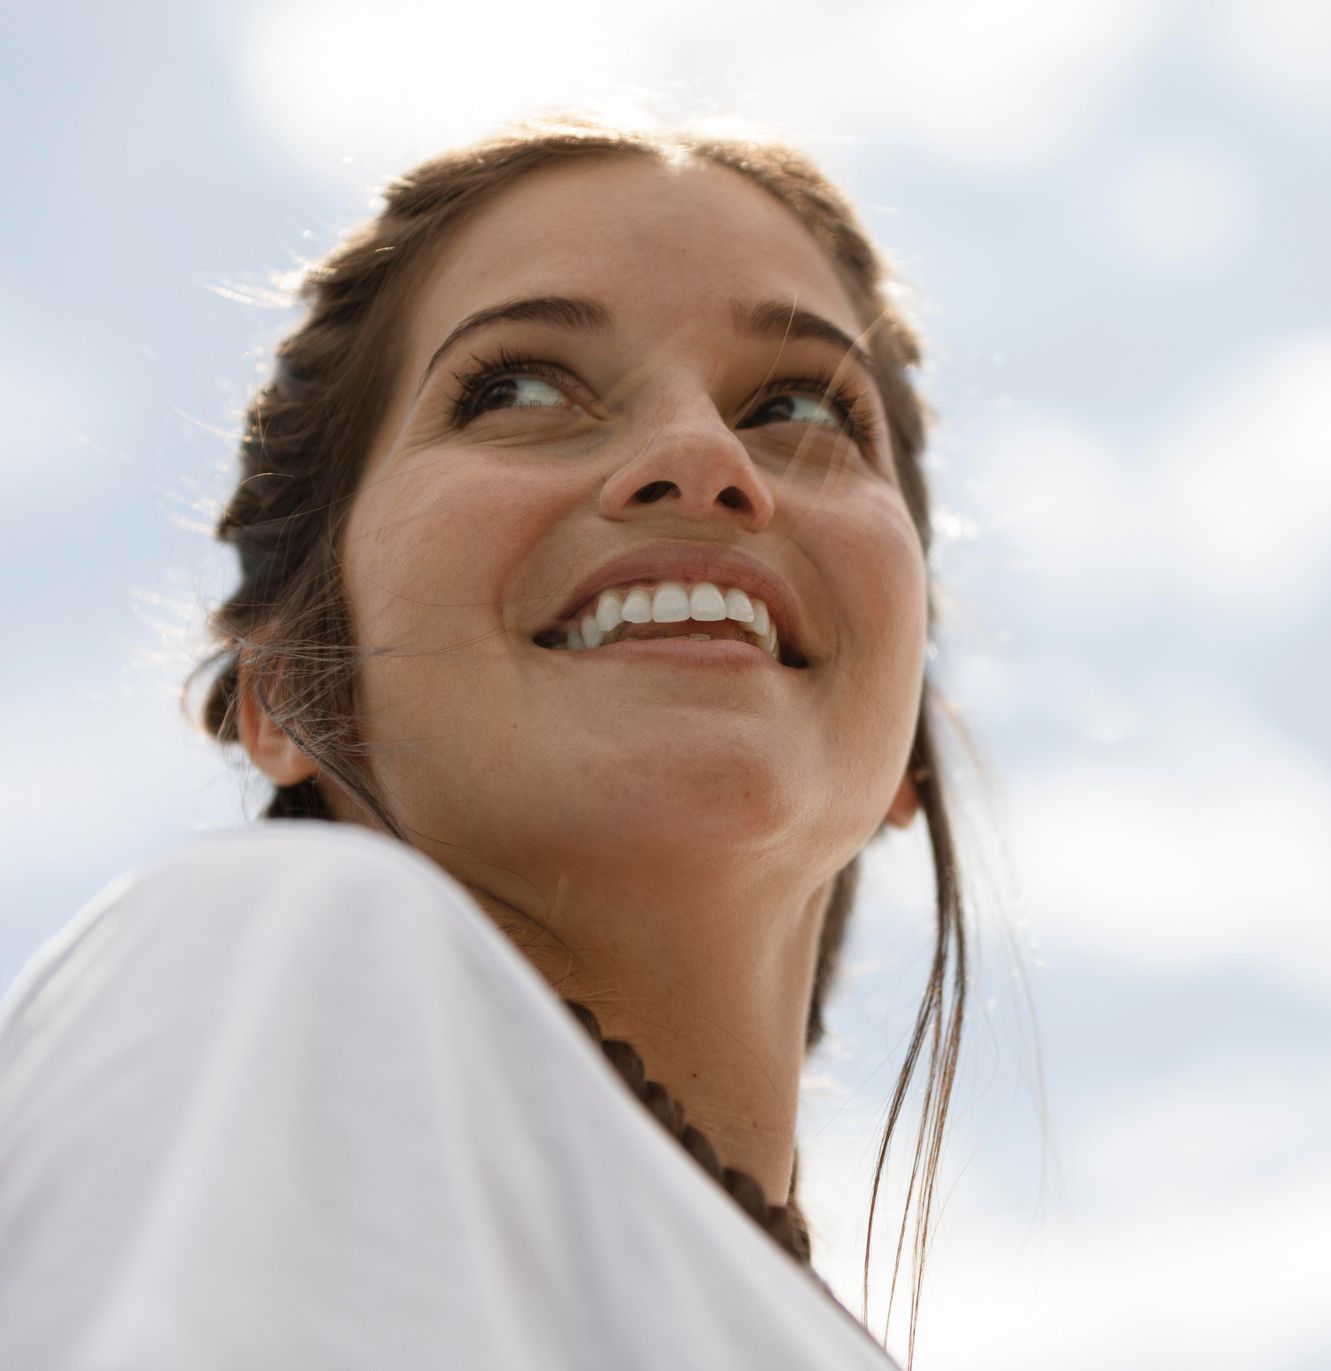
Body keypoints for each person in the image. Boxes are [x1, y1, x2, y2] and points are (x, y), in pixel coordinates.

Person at [0, 112, 968, 1370]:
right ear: (287, 688)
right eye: (516, 387)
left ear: (909, 752)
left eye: (797, 406)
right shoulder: (296, 937)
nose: (700, 456)